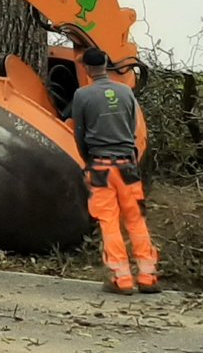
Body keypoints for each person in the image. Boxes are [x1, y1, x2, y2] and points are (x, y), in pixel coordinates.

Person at [69, 46, 159, 294]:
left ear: (86, 68)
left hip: (101, 167)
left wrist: (88, 159)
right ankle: (148, 276)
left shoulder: (82, 95)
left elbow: (80, 134)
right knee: (136, 219)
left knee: (109, 220)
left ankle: (122, 279)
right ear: (107, 65)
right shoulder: (125, 92)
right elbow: (132, 126)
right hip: (128, 166)